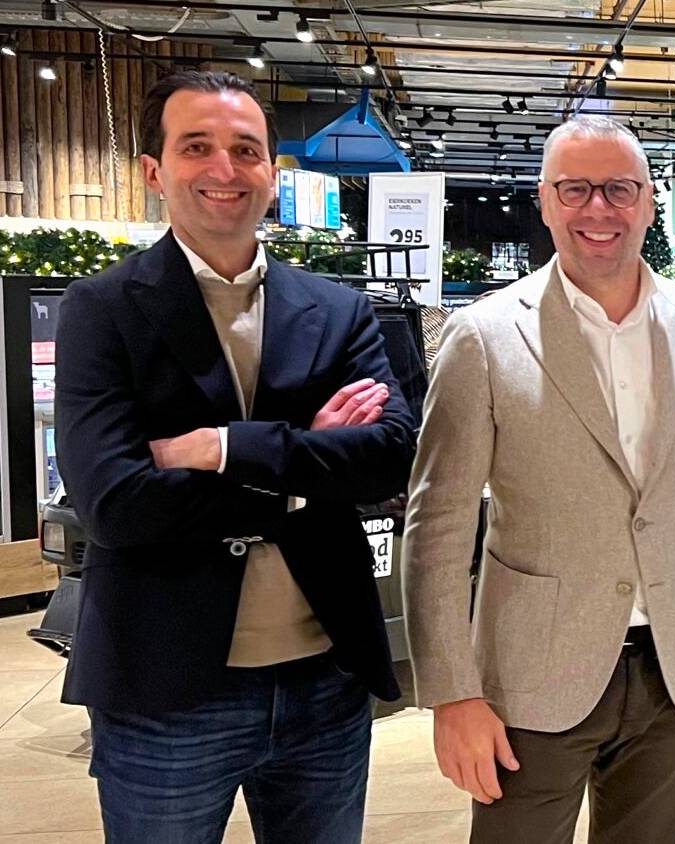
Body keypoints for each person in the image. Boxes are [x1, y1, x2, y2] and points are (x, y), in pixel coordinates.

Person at [53, 71, 417, 842]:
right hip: (166, 690)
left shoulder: (339, 309)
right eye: (197, 147)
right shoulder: (103, 309)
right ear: (154, 171)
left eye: (246, 150)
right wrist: (303, 469)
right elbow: (116, 507)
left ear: (271, 171)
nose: (225, 169)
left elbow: (389, 458)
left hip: (325, 679)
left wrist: (224, 447)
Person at [402, 115, 675, 844]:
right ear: (545, 200)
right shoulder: (485, 337)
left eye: (619, 189)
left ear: (651, 202)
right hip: (531, 676)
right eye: (576, 189)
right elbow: (436, 525)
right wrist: (451, 694)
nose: (599, 209)